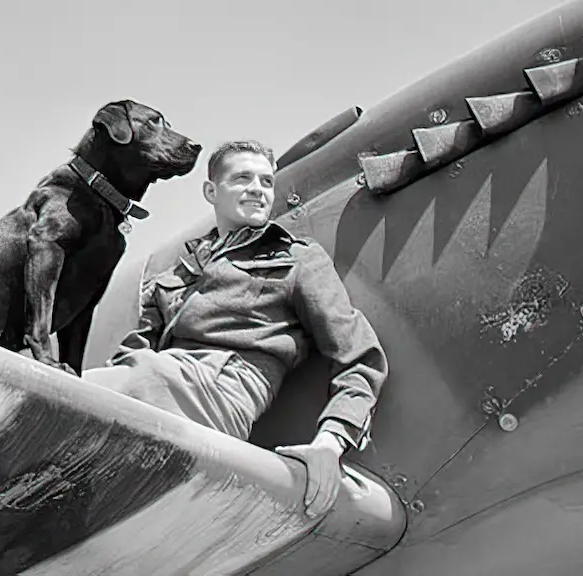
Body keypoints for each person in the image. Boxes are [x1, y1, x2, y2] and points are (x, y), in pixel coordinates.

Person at [82, 140, 388, 518]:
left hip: (223, 391)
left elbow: (360, 358)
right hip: (153, 381)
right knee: (86, 396)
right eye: (243, 178)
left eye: (266, 181)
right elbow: (131, 354)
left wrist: (330, 442)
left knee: (110, 387)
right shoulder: (175, 275)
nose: (258, 189)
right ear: (212, 191)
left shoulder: (296, 259)